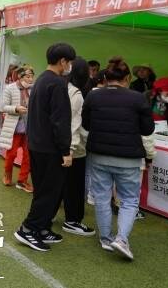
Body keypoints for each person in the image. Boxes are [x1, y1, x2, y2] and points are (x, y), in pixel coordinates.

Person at [82, 56, 155, 260]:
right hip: (128, 157)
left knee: (102, 198)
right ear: (128, 77)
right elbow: (148, 129)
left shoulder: (93, 97)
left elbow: (86, 125)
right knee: (129, 200)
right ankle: (121, 239)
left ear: (106, 76)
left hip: (98, 155)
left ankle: (106, 239)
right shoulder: (138, 98)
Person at [14, 43, 75, 252]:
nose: (70, 66)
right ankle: (28, 229)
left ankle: (41, 228)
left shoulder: (41, 79)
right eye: (70, 62)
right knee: (49, 192)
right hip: (49, 148)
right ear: (63, 61)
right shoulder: (57, 83)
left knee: (43, 190)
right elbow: (61, 120)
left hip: (38, 144)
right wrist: (66, 151)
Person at [62, 57, 95, 236]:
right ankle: (73, 220)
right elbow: (75, 125)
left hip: (60, 144)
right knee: (74, 186)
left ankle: (51, 216)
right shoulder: (76, 93)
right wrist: (71, 149)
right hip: (74, 149)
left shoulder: (63, 87)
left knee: (61, 184)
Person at [0, 65, 34, 193]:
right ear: (20, 76)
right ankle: (7, 174)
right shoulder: (10, 88)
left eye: (32, 76)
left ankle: (22, 180)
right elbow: (2, 107)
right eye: (28, 76)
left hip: (29, 128)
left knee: (28, 155)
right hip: (14, 127)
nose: (30, 79)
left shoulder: (33, 89)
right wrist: (15, 109)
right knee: (11, 153)